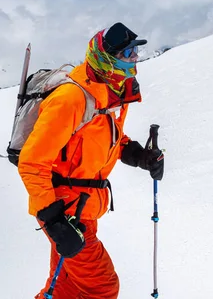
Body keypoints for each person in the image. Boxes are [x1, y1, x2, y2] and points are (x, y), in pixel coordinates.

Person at [18, 22, 165, 299]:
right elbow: (32, 162)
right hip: (66, 211)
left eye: (136, 52)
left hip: (83, 207)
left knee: (64, 287)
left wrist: (139, 156)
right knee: (102, 288)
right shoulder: (72, 98)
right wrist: (54, 221)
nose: (135, 58)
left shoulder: (108, 91)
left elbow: (107, 139)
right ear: (107, 58)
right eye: (129, 53)